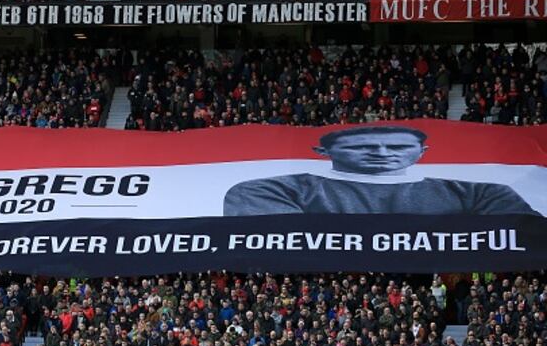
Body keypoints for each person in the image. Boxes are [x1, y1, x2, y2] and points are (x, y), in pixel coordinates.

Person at [224, 126, 540, 216]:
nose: (382, 154)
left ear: (422, 153)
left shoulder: (483, 191)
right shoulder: (262, 190)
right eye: (364, 147)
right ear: (323, 152)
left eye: (398, 147)